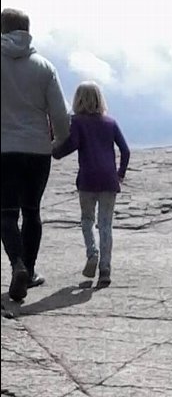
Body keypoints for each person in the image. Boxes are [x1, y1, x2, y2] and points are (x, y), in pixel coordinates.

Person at [1, 7, 70, 302]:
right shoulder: (44, 66)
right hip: (37, 149)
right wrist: (58, 142)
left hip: (4, 149)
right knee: (31, 212)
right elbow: (60, 115)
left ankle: (17, 263)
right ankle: (28, 272)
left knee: (5, 213)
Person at [52, 82, 129, 288]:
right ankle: (105, 270)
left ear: (78, 100)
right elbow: (125, 150)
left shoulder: (77, 122)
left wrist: (55, 152)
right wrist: (120, 173)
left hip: (87, 180)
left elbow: (73, 144)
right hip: (109, 180)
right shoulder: (110, 123)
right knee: (106, 225)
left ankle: (92, 253)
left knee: (87, 220)